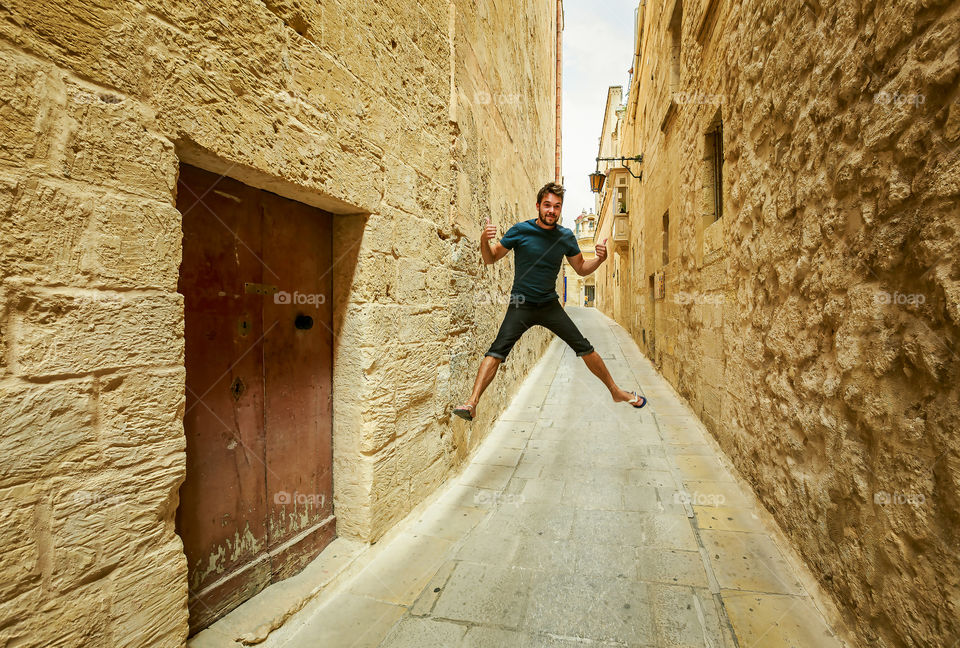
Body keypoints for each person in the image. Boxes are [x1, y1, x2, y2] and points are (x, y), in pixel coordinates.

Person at [453, 181, 647, 421]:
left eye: (556, 206)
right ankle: (471, 403)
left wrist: (599, 259)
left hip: (549, 305)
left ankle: (616, 392)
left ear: (560, 209)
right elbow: (491, 258)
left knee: (584, 347)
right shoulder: (520, 231)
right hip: (521, 304)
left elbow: (582, 269)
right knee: (496, 351)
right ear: (538, 206)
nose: (551, 211)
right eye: (547, 205)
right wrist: (484, 240)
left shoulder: (565, 237)